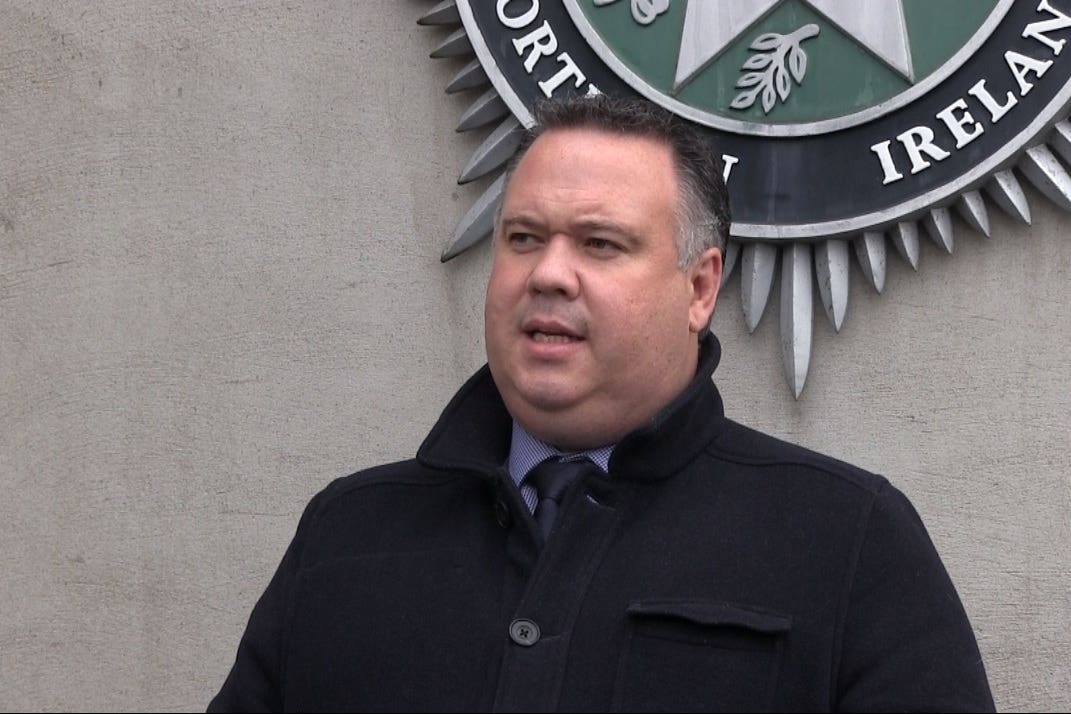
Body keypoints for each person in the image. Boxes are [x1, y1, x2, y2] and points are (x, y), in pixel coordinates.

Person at [208, 94, 995, 712]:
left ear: (698, 288)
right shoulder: (349, 531)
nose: (547, 274)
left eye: (599, 244)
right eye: (521, 238)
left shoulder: (846, 539)